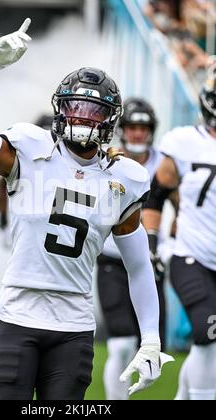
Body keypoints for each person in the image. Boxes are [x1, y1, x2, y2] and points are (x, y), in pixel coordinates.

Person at [0, 18, 173, 401]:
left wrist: (150, 340)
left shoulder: (125, 178)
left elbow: (138, 265)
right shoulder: (30, 149)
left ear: (110, 119)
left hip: (74, 320)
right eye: (76, 107)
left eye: (94, 111)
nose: (84, 118)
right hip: (19, 311)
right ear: (59, 109)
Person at [142, 71, 216, 400]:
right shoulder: (185, 142)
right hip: (192, 257)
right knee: (209, 330)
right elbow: (156, 196)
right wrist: (152, 246)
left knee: (207, 340)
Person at [97, 98, 173, 400]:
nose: (138, 133)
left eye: (143, 127)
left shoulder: (165, 162)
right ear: (121, 128)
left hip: (148, 260)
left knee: (153, 345)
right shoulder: (106, 160)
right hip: (112, 259)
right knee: (121, 342)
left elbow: (182, 205)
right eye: (132, 126)